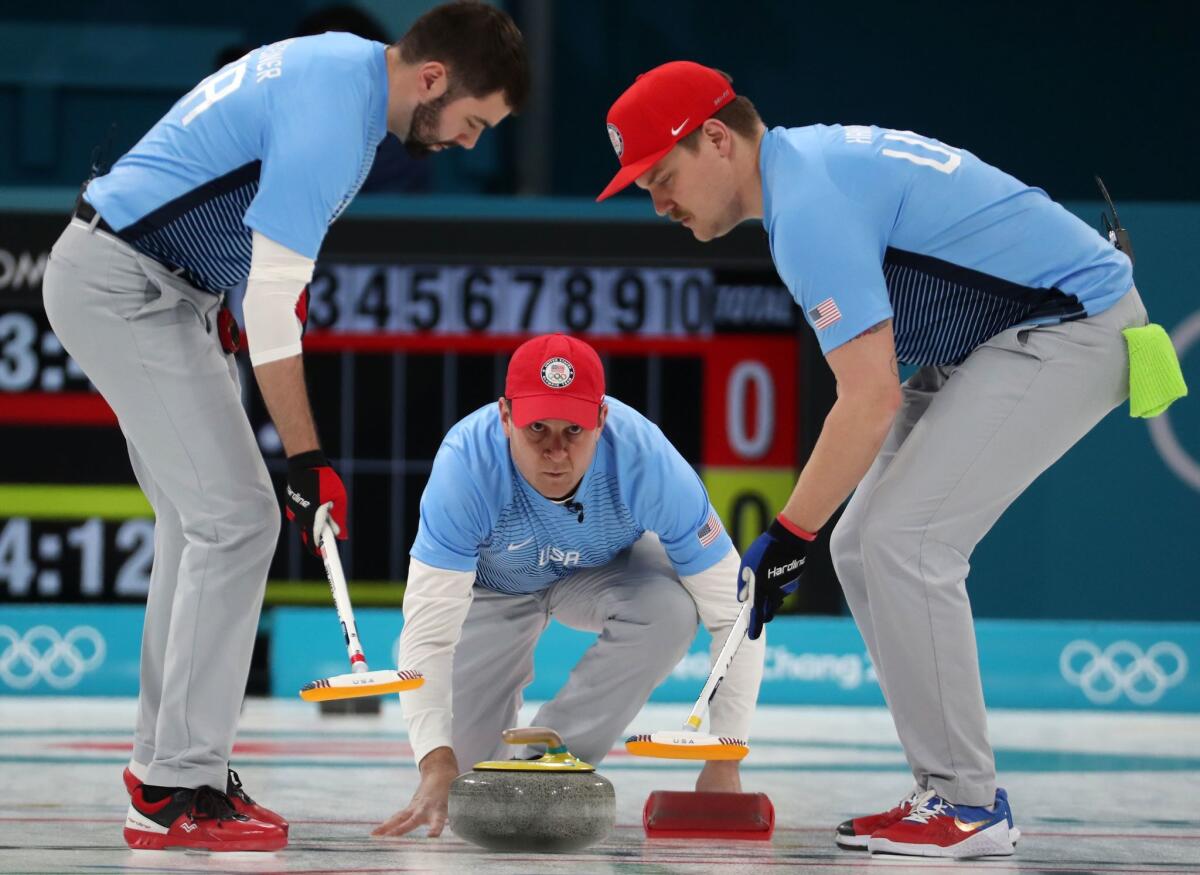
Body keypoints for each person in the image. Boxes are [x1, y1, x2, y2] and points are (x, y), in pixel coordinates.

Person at [597, 61, 1147, 859]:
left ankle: (967, 803)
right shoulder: (803, 173)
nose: (660, 204)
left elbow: (868, 400)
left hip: (1072, 324)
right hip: (988, 336)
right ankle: (944, 791)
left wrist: (786, 535)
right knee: (863, 544)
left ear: (716, 138)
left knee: (904, 539)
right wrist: (807, 536)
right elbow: (878, 385)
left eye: (662, 177)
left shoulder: (807, 205)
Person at [41, 1, 528, 852]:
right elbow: (274, 301)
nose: (469, 143)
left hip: (158, 286)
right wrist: (306, 456)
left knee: (200, 529)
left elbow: (251, 253)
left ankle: (169, 765)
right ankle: (171, 787)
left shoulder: (339, 69)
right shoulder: (339, 118)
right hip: (130, 287)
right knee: (240, 521)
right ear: (433, 79)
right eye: (473, 122)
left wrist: (229, 312)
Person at [372, 333, 764, 838]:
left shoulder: (650, 465)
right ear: (505, 417)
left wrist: (725, 756)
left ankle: (549, 756)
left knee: (669, 611)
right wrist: (434, 761)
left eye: (573, 430)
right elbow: (427, 633)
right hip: (495, 589)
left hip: (600, 570)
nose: (555, 453)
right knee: (467, 784)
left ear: (601, 421)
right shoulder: (463, 469)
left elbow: (735, 614)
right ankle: (476, 756)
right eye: (537, 428)